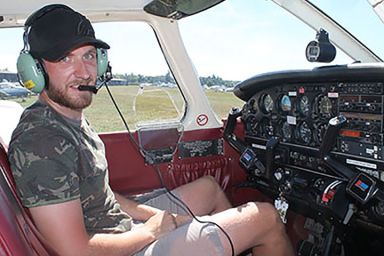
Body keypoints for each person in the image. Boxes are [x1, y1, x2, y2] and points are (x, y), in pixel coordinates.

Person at [8, 4, 294, 256]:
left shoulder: (68, 119)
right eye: (64, 59)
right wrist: (151, 231)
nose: (84, 72)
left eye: (89, 56)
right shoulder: (42, 139)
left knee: (208, 188)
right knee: (266, 218)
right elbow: (73, 250)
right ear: (35, 70)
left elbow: (97, 192)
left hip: (119, 229)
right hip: (114, 248)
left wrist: (152, 215)